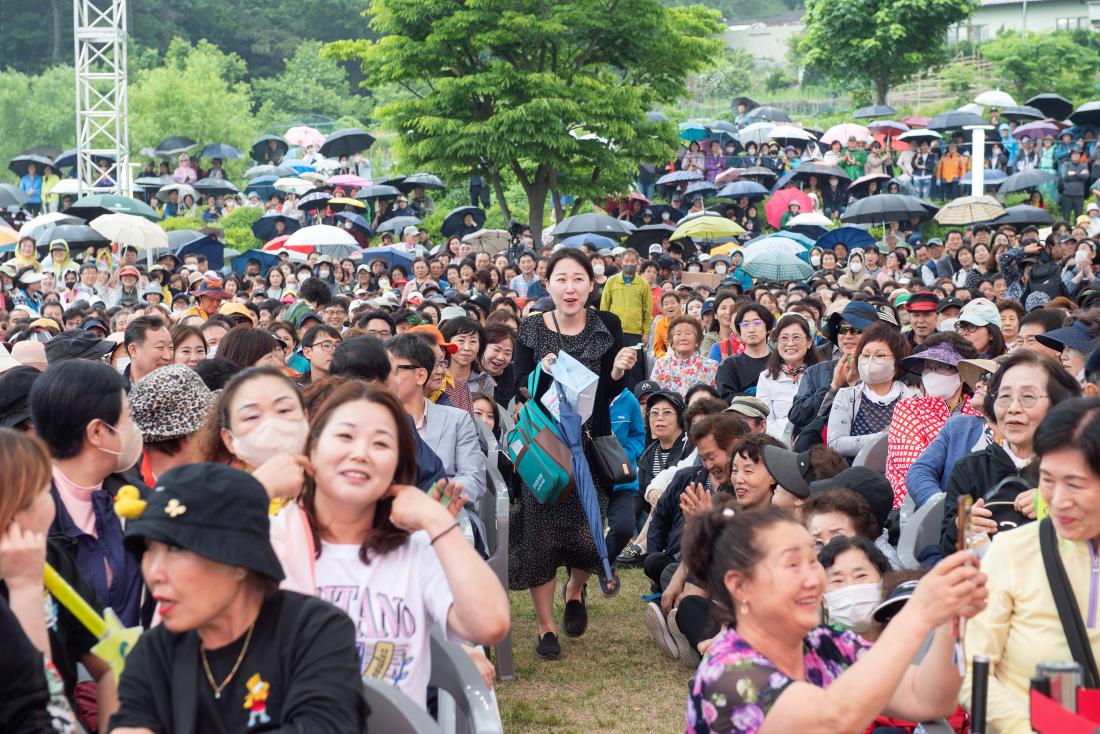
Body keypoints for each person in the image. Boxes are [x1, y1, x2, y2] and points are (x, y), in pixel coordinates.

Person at [268, 381, 509, 707]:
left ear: (398, 466)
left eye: (381, 443)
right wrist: (255, 490)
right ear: (311, 448)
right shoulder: (273, 537)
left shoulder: (416, 549)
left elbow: (489, 623)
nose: (360, 453)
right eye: (344, 436)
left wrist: (438, 522)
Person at [683, 503, 988, 734]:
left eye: (813, 561)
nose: (814, 579)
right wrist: (917, 613)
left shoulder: (823, 643)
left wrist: (953, 618)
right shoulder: (728, 675)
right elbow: (834, 718)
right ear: (739, 585)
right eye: (792, 565)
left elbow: (929, 699)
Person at [108, 463, 366, 732]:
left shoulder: (314, 630)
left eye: (175, 548)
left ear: (240, 561)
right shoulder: (155, 650)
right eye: (149, 549)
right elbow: (131, 724)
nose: (153, 572)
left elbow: (325, 726)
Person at [512, 248, 636, 659]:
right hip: (544, 450)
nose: (570, 287)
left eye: (578, 279)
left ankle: (576, 589)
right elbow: (518, 388)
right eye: (561, 279)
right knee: (539, 537)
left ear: (591, 284)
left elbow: (614, 390)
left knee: (588, 532)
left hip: (590, 446)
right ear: (547, 284)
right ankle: (546, 628)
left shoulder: (608, 325)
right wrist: (540, 374)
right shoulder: (531, 329)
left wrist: (618, 371)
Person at [962, 397, 1100, 733]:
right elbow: (972, 674)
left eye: (1076, 484)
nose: (1058, 499)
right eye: (1049, 481)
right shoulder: (1014, 551)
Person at [0, 428, 118, 730]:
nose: (52, 501)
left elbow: (111, 665)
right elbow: (36, 706)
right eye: (44, 489)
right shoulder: (28, 574)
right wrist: (24, 587)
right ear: (15, 511)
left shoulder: (49, 558)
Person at [29, 360, 148, 627]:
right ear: (97, 432)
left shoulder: (135, 497)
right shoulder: (28, 515)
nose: (133, 428)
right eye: (128, 416)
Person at [939, 350, 1081, 556]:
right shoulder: (970, 468)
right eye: (1004, 396)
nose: (1013, 408)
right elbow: (948, 549)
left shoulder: (1076, 467)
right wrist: (963, 526)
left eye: (1028, 397)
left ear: (1057, 405)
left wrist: (1053, 507)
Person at [192, 367, 312, 513]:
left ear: (305, 417)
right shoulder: (209, 495)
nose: (271, 424)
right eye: (252, 416)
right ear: (228, 439)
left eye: (284, 410)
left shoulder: (332, 478)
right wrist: (259, 490)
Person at [885, 334, 979, 507]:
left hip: (971, 503)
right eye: (928, 367)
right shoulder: (908, 408)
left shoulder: (977, 411)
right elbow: (914, 467)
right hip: (911, 503)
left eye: (941, 367)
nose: (932, 374)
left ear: (963, 375)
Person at [827, 324, 918, 458]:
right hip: (856, 473)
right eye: (865, 355)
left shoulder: (913, 398)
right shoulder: (847, 395)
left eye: (880, 355)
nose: (870, 361)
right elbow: (835, 444)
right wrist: (885, 437)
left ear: (897, 361)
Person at [756, 314, 818, 442]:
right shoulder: (766, 378)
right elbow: (766, 421)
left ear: (809, 342)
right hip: (778, 445)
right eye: (784, 338)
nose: (790, 343)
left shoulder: (820, 375)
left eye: (796, 337)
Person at [599, 248, 652, 388]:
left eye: (632, 261)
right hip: (614, 331)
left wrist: (646, 332)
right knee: (615, 363)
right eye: (627, 260)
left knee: (633, 366)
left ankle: (635, 397)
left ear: (637, 263)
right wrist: (604, 330)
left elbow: (647, 311)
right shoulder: (612, 281)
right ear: (621, 262)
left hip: (635, 333)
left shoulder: (643, 284)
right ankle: (613, 394)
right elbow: (604, 308)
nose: (630, 263)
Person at [819, 535, 891, 636]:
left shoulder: (912, 630)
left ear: (884, 581)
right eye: (837, 581)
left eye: (861, 575)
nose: (851, 587)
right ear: (823, 598)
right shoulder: (820, 647)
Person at [715, 303, 774, 401]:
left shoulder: (780, 362)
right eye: (745, 324)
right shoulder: (729, 365)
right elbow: (725, 399)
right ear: (740, 330)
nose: (751, 329)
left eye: (757, 323)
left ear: (768, 328)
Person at [651, 315, 718, 397]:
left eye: (688, 333)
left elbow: (716, 398)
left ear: (697, 341)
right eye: (678, 334)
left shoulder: (711, 366)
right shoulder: (660, 365)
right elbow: (653, 396)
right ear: (671, 342)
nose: (683, 338)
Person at [123, 315, 173, 384]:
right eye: (160, 347)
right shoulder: (114, 391)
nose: (168, 357)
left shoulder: (181, 390)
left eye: (171, 347)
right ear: (133, 350)